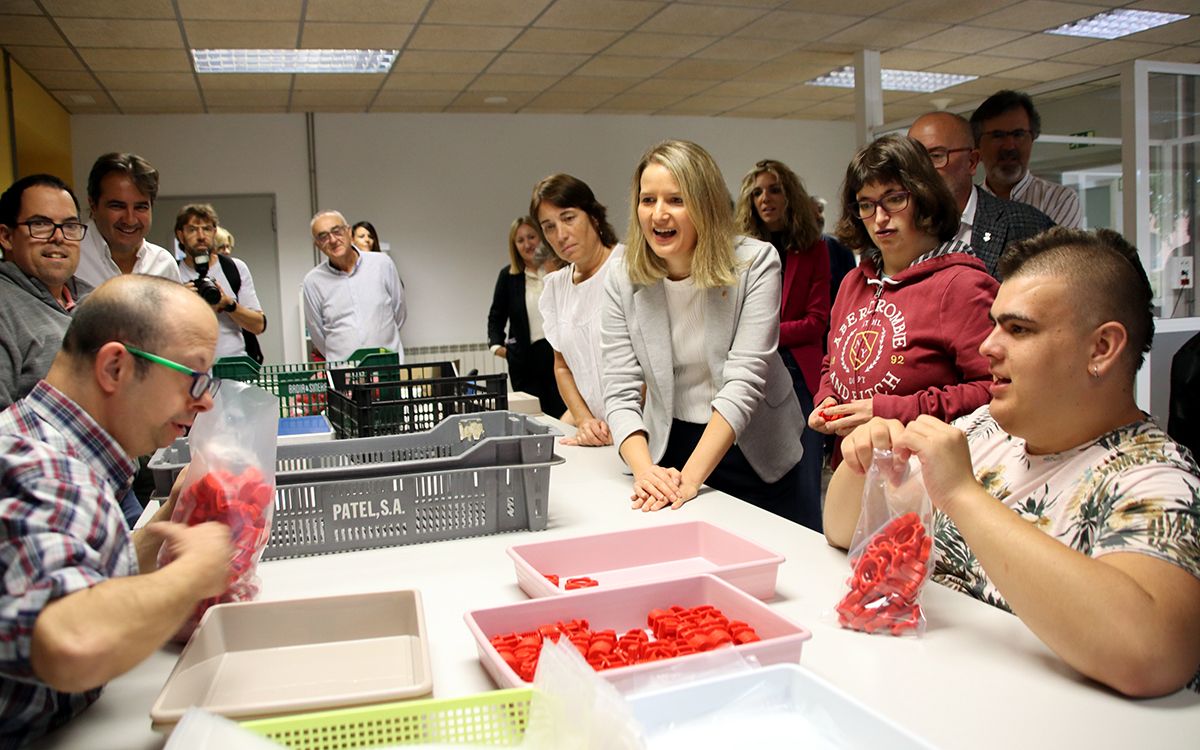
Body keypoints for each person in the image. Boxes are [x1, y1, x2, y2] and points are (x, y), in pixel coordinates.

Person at [824, 227, 1200, 697]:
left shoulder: (1156, 478)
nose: (987, 346)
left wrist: (962, 495)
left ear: (1101, 348)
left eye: (1019, 329)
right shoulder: (984, 428)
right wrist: (866, 461)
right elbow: (841, 529)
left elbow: (1151, 655)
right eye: (995, 323)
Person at [0, 275, 234, 744]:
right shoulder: (46, 468)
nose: (204, 401)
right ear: (114, 368)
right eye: (193, 377)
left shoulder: (46, 443)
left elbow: (67, 567)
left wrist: (164, 521)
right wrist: (193, 573)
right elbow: (71, 640)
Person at [602, 140, 809, 526]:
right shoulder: (621, 277)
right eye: (648, 200)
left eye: (676, 200)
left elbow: (744, 381)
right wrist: (646, 472)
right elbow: (619, 387)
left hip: (753, 444)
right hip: (670, 442)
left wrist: (689, 481)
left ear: (705, 203)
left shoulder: (755, 262)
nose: (658, 214)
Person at [809, 135, 997, 448]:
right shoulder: (853, 282)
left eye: (894, 199)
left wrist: (889, 410)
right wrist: (828, 399)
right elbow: (833, 362)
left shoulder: (962, 285)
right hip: (856, 468)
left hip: (929, 475)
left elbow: (994, 387)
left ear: (924, 197)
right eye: (866, 205)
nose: (880, 218)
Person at [736, 159, 828, 529]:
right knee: (757, 474)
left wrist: (762, 332)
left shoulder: (813, 249)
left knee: (803, 475)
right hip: (755, 372)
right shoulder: (740, 253)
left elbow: (817, 321)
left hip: (798, 373)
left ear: (790, 195)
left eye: (774, 189)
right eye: (757, 192)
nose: (765, 198)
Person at [533, 174, 623, 446]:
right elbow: (562, 368)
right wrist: (585, 421)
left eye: (569, 218)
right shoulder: (556, 288)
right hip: (595, 434)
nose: (560, 235)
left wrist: (618, 423)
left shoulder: (628, 268)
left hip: (642, 430)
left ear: (593, 216)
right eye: (549, 227)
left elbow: (649, 366)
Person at [908, 111, 1054, 278]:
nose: (922, 168)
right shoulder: (896, 230)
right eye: (914, 159)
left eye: (936, 156)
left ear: (972, 161)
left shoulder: (1027, 227)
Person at [0, 175, 93, 409]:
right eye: (40, 224)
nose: (59, 237)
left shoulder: (95, 300)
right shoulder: (5, 307)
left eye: (70, 226)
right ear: (6, 236)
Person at [488, 216, 567, 418]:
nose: (527, 244)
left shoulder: (558, 270)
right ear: (514, 246)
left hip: (557, 356)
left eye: (531, 237)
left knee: (562, 414)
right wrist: (497, 347)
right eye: (520, 240)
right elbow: (497, 315)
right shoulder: (508, 276)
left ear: (541, 237)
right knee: (533, 418)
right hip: (524, 360)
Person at [303, 210, 406, 362]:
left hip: (388, 371)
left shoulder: (382, 264)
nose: (332, 240)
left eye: (337, 231)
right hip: (345, 377)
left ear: (349, 232)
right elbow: (318, 334)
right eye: (323, 236)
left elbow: (399, 312)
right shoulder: (313, 282)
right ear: (317, 244)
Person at [971, 90, 1083, 229]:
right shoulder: (968, 203)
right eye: (998, 135)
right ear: (977, 145)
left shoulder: (1059, 200)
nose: (1009, 146)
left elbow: (1057, 251)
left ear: (1032, 139)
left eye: (1018, 134)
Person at [74, 152, 180, 288]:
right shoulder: (71, 256)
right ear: (93, 205)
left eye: (140, 207)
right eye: (117, 206)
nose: (130, 220)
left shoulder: (164, 265)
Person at [175, 204, 267, 360]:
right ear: (180, 235)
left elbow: (258, 325)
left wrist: (228, 304)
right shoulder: (172, 272)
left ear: (214, 232)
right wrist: (179, 301)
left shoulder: (234, 268)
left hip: (235, 365)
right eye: (192, 230)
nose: (201, 236)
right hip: (188, 367)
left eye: (207, 229)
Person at [812, 195, 856, 308]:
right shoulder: (796, 250)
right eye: (812, 212)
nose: (818, 216)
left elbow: (853, 286)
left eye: (820, 211)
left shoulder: (840, 246)